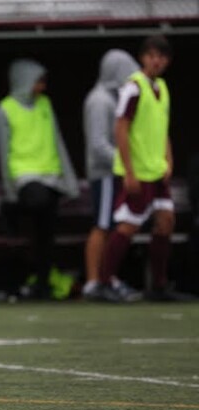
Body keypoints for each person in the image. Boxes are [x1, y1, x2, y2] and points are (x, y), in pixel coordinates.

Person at [97, 36, 191, 302]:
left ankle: (158, 285)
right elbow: (121, 129)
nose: (156, 61)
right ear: (142, 58)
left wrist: (168, 160)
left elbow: (162, 129)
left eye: (161, 56)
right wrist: (128, 171)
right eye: (151, 55)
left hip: (156, 170)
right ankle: (104, 282)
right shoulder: (134, 88)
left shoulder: (162, 87)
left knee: (165, 223)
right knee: (127, 227)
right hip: (137, 171)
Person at [0, 59, 79, 298]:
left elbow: (57, 140)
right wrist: (10, 191)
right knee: (36, 202)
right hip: (24, 175)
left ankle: (42, 283)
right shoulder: (3, 110)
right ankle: (10, 208)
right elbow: (2, 151)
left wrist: (68, 179)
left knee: (46, 233)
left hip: (50, 175)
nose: (42, 87)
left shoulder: (45, 104)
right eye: (38, 81)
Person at [82, 49, 140, 301]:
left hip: (114, 172)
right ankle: (94, 281)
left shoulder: (115, 98)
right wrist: (126, 164)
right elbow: (98, 144)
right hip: (104, 173)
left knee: (113, 224)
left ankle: (108, 278)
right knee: (103, 225)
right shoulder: (99, 101)